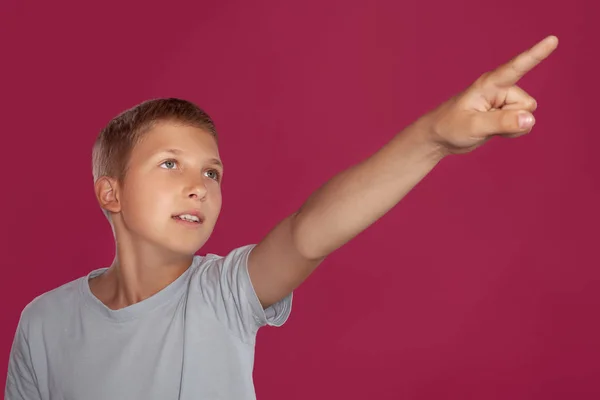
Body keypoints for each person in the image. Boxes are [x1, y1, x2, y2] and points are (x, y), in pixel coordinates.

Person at [5, 35, 558, 400]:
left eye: (213, 173)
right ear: (112, 193)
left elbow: (308, 234)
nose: (198, 186)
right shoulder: (43, 324)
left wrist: (432, 136)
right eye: (170, 164)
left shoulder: (223, 292)